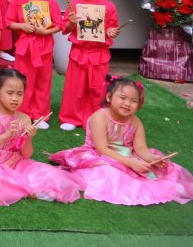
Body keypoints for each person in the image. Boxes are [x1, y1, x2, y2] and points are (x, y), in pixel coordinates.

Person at [51, 77, 193, 205]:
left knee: (158, 167)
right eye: (123, 98)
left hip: (128, 155)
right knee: (108, 172)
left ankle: (168, 186)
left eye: (133, 101)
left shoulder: (136, 122)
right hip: (100, 156)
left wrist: (152, 158)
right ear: (109, 97)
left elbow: (141, 148)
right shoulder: (99, 118)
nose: (127, 103)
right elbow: (102, 149)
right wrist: (130, 163)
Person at [0, 68, 80, 205]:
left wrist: (28, 137)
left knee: (47, 175)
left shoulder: (24, 118)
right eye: (10, 93)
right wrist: (5, 136)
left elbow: (26, 154)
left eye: (20, 94)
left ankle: (23, 189)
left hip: (15, 163)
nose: (15, 98)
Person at [58, 0, 120, 131]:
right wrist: (71, 22)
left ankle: (95, 119)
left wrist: (111, 31)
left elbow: (112, 28)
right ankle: (71, 118)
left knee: (98, 88)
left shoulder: (109, 6)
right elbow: (65, 29)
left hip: (99, 54)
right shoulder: (74, 4)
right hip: (78, 53)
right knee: (75, 87)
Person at [4, 0, 60, 122]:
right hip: (25, 47)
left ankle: (40, 115)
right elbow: (8, 22)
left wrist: (46, 31)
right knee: (23, 80)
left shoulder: (50, 2)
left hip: (45, 47)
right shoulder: (17, 2)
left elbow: (60, 24)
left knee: (43, 81)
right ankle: (22, 114)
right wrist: (21, 25)